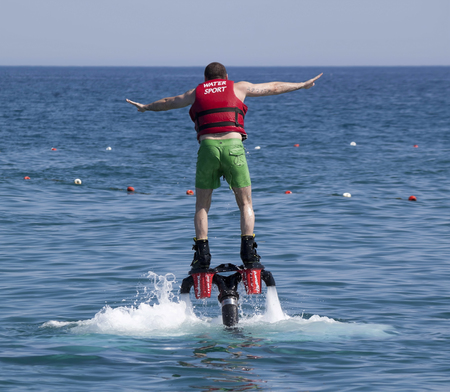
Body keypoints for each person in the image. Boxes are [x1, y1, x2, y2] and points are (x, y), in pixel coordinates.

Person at [126, 62, 322, 273]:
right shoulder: (239, 87)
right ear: (226, 76)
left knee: (202, 205)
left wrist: (145, 107)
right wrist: (302, 84)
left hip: (208, 148)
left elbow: (168, 102)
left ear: (206, 79)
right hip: (233, 147)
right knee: (245, 203)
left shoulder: (195, 92)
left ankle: (202, 257)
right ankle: (249, 255)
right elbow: (273, 87)